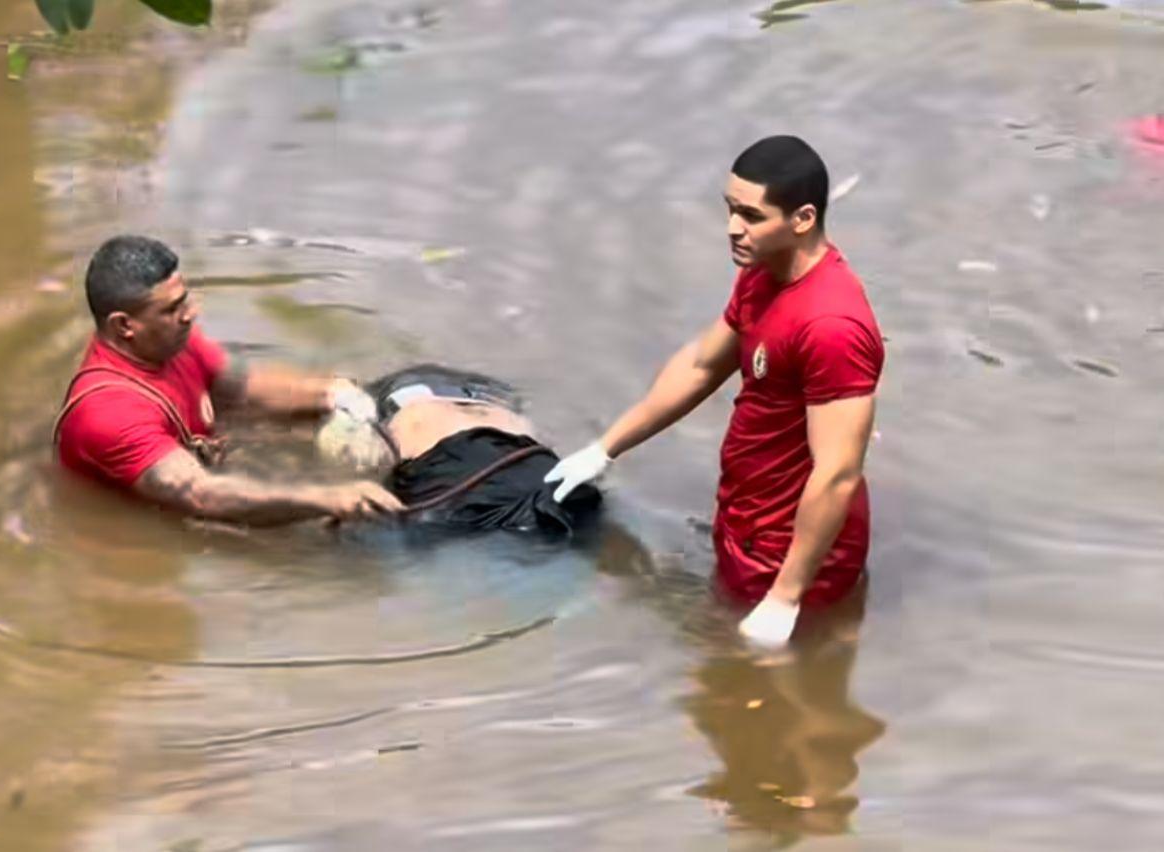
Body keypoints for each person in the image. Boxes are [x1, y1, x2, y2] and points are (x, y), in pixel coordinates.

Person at [544, 135, 884, 647]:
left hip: (793, 551)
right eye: (730, 209)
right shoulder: (762, 272)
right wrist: (605, 448)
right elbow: (702, 366)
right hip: (746, 515)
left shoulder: (832, 326)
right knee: (719, 663)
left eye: (751, 216)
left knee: (773, 677)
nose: (732, 228)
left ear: (803, 219)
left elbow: (837, 474)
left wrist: (785, 596)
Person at [54, 234, 403, 525]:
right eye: (171, 309)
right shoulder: (108, 413)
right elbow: (198, 494)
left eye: (184, 300)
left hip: (212, 455)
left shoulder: (172, 343)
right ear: (124, 326)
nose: (191, 314)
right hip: (154, 523)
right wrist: (329, 498)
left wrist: (332, 394)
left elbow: (243, 390)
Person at [314, 364, 601, 534]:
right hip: (538, 467)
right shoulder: (494, 400)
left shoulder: (388, 406)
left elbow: (338, 396)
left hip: (460, 476)